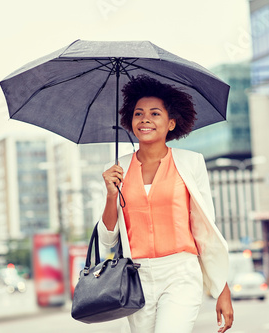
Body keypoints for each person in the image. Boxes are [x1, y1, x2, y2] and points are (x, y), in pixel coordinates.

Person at [98, 75, 233, 333]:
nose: (145, 119)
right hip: (136, 278)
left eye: (155, 113)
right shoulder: (116, 170)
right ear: (130, 121)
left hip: (180, 272)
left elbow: (205, 231)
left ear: (171, 123)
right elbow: (107, 239)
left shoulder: (191, 163)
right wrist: (110, 195)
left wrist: (221, 289)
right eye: (138, 113)